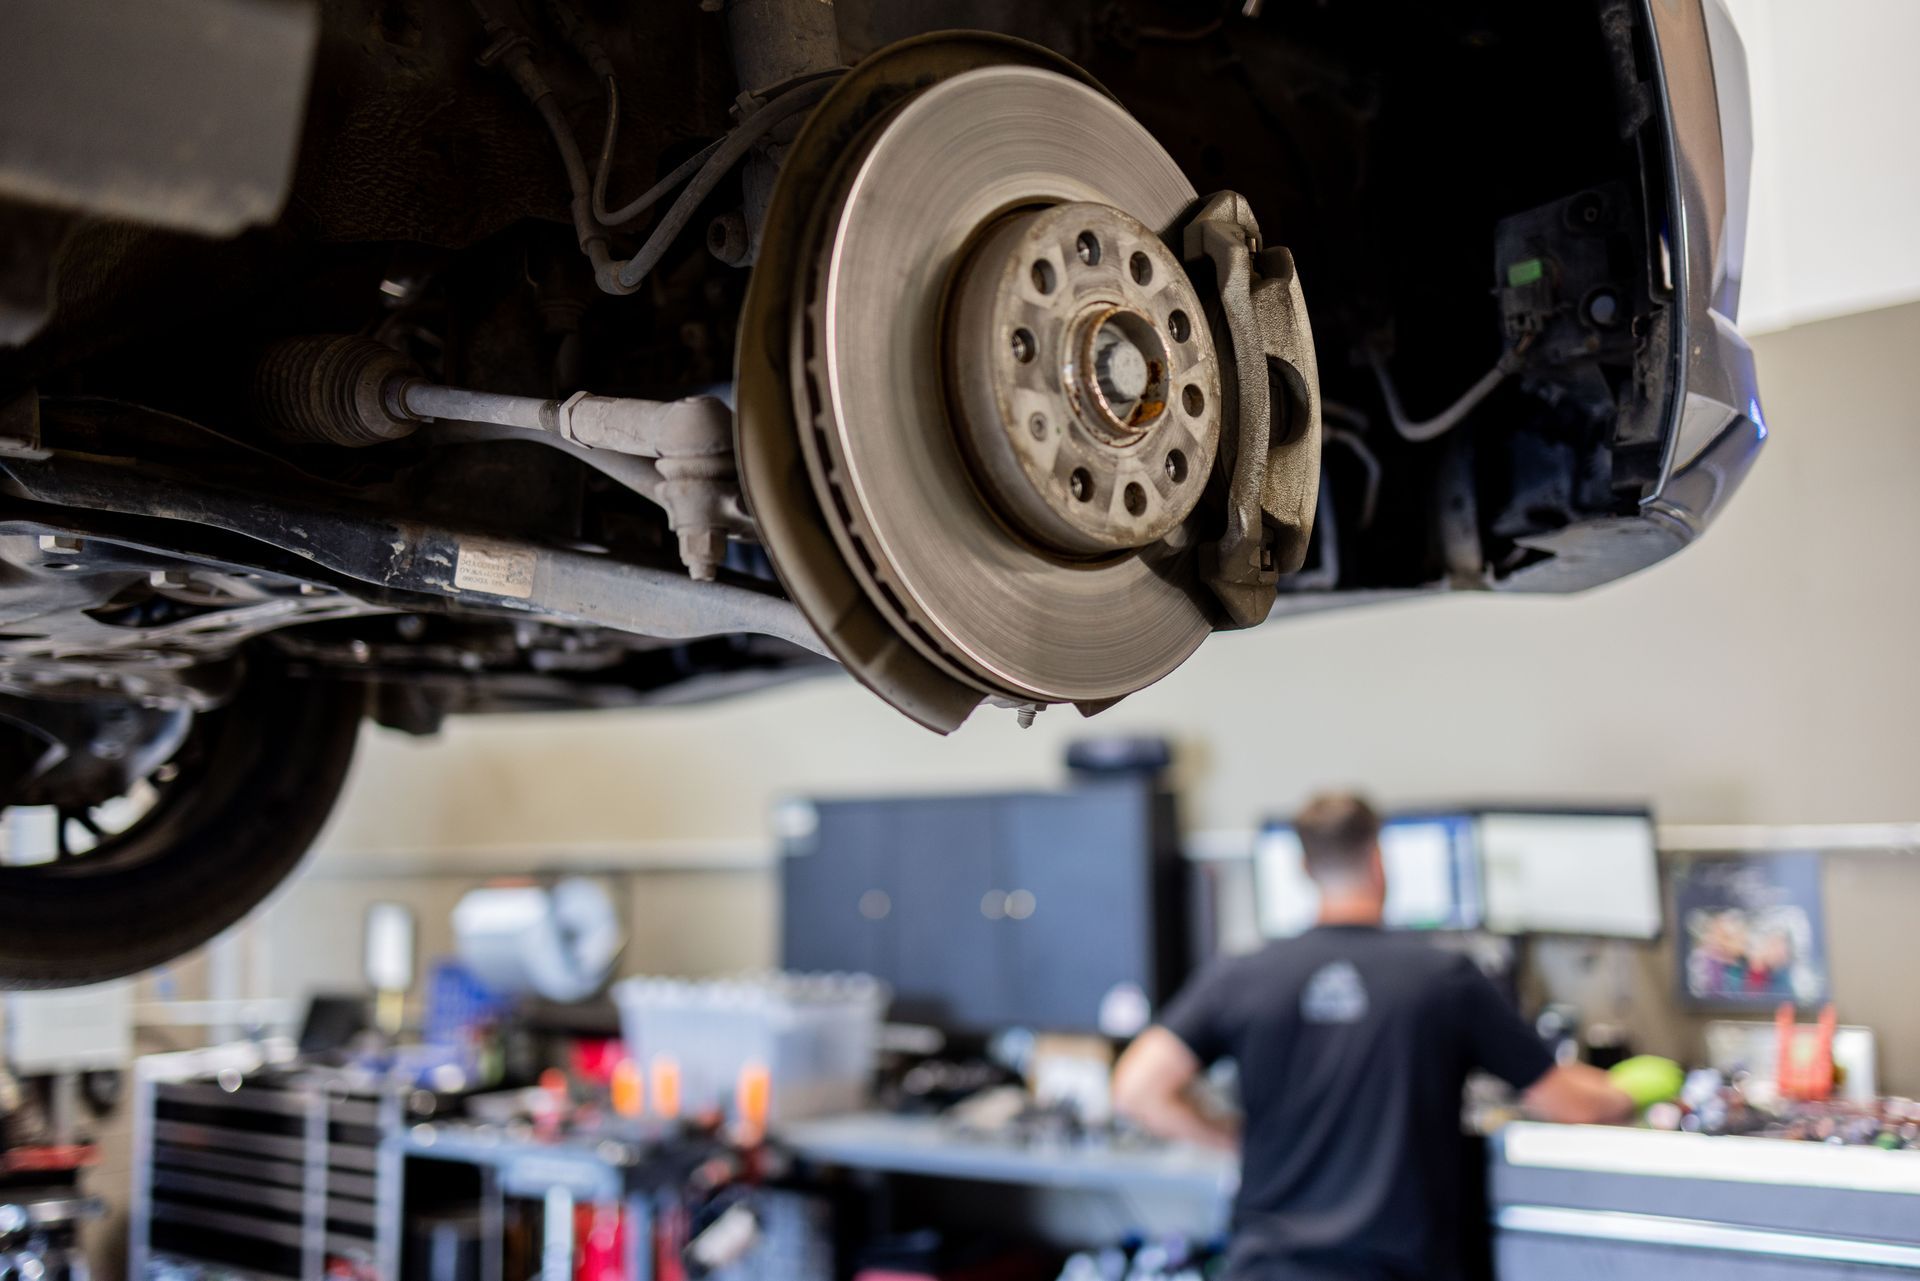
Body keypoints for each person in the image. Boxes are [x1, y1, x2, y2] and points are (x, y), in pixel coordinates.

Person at [1113, 792, 1634, 1281]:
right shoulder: (1443, 978)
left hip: (1269, 1267)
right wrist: (1634, 1092)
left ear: (1303, 869)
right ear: (1381, 863)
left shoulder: (1241, 976)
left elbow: (1137, 1089)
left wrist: (1232, 1139)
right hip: (1398, 1268)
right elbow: (1568, 1101)